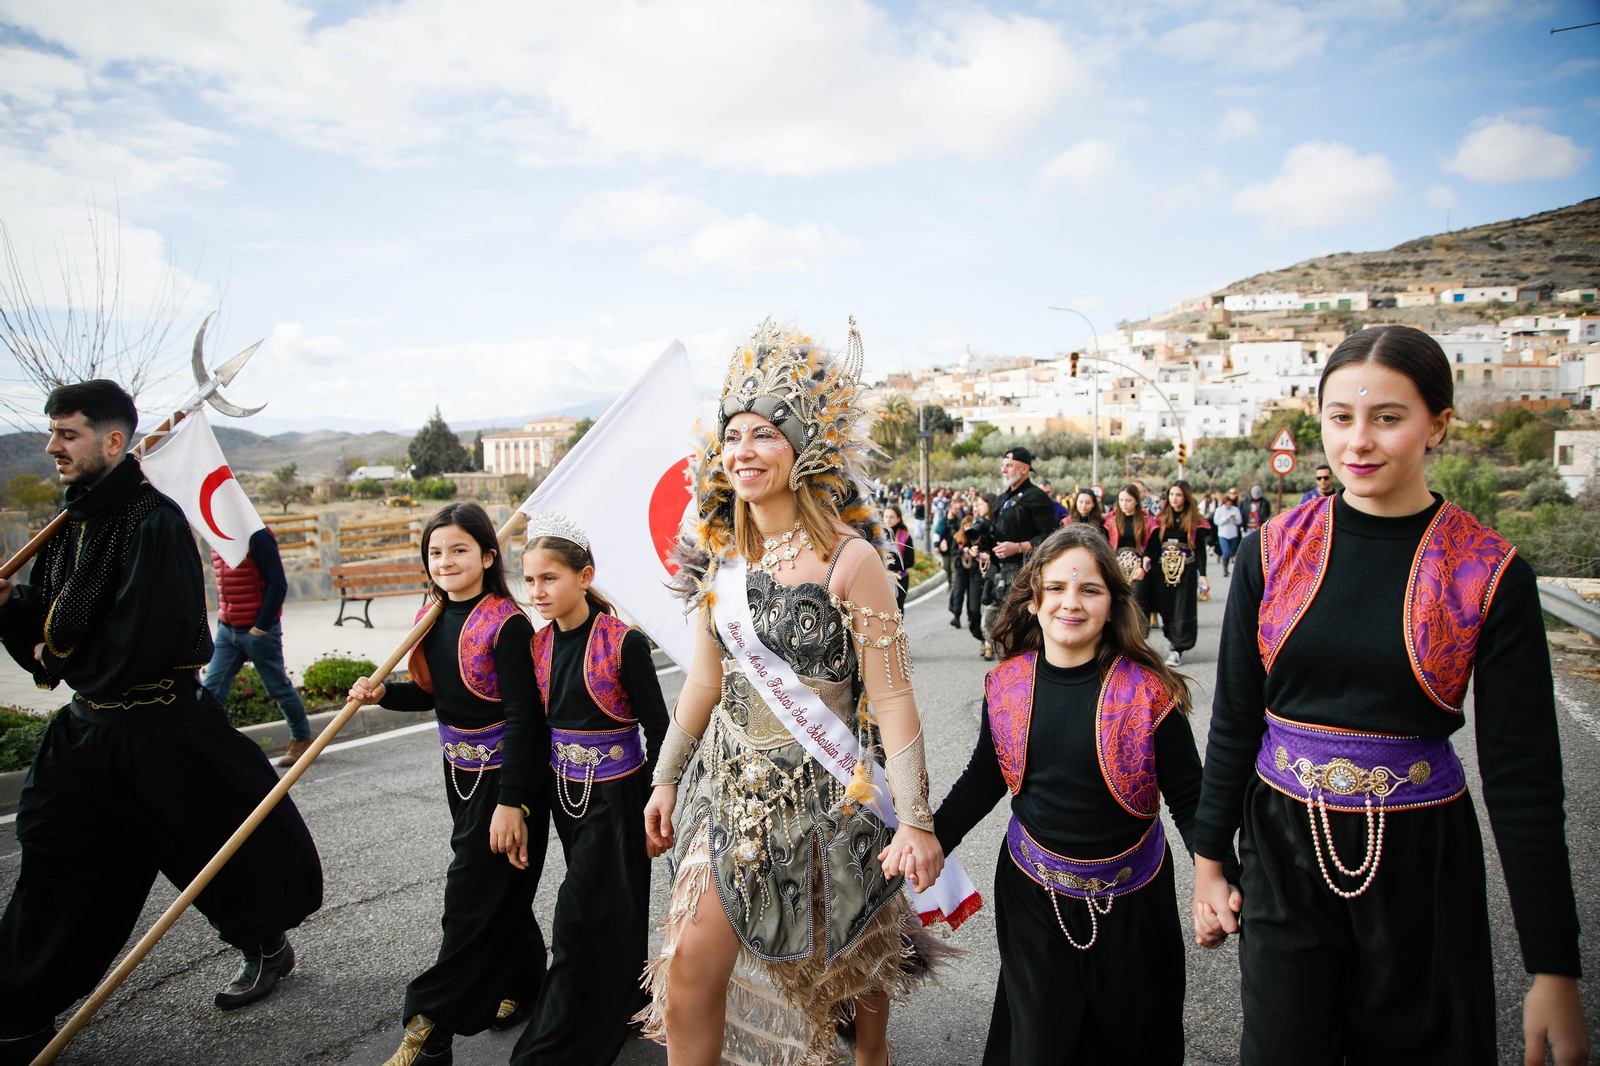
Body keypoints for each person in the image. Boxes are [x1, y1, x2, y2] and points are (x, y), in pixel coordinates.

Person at [1192, 326, 1590, 1066]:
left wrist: (1553, 967)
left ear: (1438, 423)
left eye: (1387, 417)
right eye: (1340, 417)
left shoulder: (1491, 575)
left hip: (1422, 863)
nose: (1359, 442)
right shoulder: (1270, 553)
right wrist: (1209, 860)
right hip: (1281, 847)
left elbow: (1524, 780)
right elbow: (1237, 719)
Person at [638, 320, 973, 1066]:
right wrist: (664, 776)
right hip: (729, 794)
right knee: (690, 965)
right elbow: (704, 680)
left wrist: (915, 822)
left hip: (832, 797)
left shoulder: (852, 562)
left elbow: (893, 700)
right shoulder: (717, 562)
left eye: (765, 434)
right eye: (734, 436)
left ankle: (871, 1056)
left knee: (853, 969)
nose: (745, 451)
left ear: (804, 447)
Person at [0, 381, 323, 1064]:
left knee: (212, 856)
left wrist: (49, 646)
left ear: (113, 442)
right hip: (87, 734)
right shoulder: (73, 522)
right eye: (52, 432)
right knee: (53, 870)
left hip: (160, 732)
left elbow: (139, 640)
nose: (52, 446)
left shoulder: (156, 523)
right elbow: (56, 618)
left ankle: (265, 944)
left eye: (67, 434)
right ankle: (19, 1009)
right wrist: (10, 608)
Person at [934, 524, 1227, 1064]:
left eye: (1089, 590)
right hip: (1031, 897)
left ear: (1114, 605)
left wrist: (1215, 880)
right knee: (1041, 1040)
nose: (1072, 602)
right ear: (1033, 600)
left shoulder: (1149, 693)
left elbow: (1190, 797)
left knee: (1134, 1040)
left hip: (1135, 900)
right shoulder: (1006, 686)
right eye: (1057, 589)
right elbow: (984, 777)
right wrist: (930, 839)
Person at [349, 501, 547, 1066]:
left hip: (506, 780)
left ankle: (428, 1026)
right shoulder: (432, 616)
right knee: (498, 892)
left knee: (467, 902)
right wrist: (384, 693)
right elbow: (439, 696)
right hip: (458, 773)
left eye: (460, 549)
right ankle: (528, 981)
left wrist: (512, 804)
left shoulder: (506, 624)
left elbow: (524, 717)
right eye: (435, 552)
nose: (445, 561)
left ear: (488, 556)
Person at [509, 515, 669, 1066]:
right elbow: (529, 731)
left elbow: (661, 731)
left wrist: (656, 803)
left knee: (579, 915)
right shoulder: (537, 647)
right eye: (529, 581)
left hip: (620, 799)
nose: (537, 592)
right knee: (609, 909)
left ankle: (560, 1040)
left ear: (584, 576)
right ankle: (627, 998)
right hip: (564, 797)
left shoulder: (623, 645)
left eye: (549, 578)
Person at [203, 526, 313, 767]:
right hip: (227, 628)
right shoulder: (214, 536)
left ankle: (302, 739)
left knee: (277, 688)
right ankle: (211, 746)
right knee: (210, 691)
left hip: (258, 630)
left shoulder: (258, 535)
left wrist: (260, 627)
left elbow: (278, 583)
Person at [983, 447, 1058, 663]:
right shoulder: (1002, 498)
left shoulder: (1037, 497)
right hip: (1000, 571)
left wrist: (1019, 546)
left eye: (1009, 465)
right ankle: (1008, 668)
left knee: (1020, 625)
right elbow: (995, 532)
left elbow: (1050, 536)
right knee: (993, 622)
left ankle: (1025, 669)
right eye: (1003, 465)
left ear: (1024, 469)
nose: (1003, 470)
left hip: (1026, 570)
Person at [1141, 480, 1209, 667]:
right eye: (1171, 495)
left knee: (1183, 608)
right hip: (1162, 570)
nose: (1174, 499)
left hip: (1186, 569)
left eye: (1178, 495)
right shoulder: (1161, 518)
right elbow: (1153, 545)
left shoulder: (1196, 521)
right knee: (1166, 608)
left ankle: (1177, 648)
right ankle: (1172, 637)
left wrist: (1203, 574)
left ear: (1186, 497)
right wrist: (1147, 557)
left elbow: (1201, 550)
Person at [1103, 483, 1158, 633]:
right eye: (1121, 500)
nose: (1124, 504)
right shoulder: (1112, 522)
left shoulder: (1147, 522)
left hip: (1138, 566)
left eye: (1128, 500)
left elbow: (1153, 546)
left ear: (1136, 501)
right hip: (1117, 565)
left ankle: (1139, 636)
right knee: (1118, 601)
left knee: (1137, 601)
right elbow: (1107, 545)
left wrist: (1145, 564)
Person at [954, 494, 998, 646]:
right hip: (976, 570)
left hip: (995, 571)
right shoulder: (977, 525)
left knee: (989, 607)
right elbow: (968, 542)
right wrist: (972, 550)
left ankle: (991, 642)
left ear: (990, 505)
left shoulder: (999, 523)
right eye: (976, 505)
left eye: (981, 505)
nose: (977, 508)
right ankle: (983, 637)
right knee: (973, 612)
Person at [936, 502, 965, 624]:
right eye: (954, 508)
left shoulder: (959, 522)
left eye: (958, 509)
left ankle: (953, 585)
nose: (956, 510)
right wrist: (936, 546)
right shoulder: (943, 521)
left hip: (955, 550)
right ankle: (949, 582)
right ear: (949, 509)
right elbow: (937, 533)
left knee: (954, 569)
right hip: (945, 549)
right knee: (946, 568)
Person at [881, 504, 915, 608]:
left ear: (898, 518)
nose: (888, 520)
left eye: (891, 517)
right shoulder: (878, 534)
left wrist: (890, 566)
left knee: (897, 610)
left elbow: (910, 561)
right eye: (886, 516)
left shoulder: (905, 536)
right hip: (882, 579)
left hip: (900, 579)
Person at [1211, 489, 1243, 578]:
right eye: (1227, 504)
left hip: (1233, 533)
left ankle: (1227, 566)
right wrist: (1226, 518)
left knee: (1231, 551)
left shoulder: (1235, 509)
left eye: (1230, 504)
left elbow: (1240, 521)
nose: (1228, 506)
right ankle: (1225, 569)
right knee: (1226, 552)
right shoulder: (1219, 510)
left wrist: (1234, 518)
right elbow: (1216, 521)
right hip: (1223, 534)